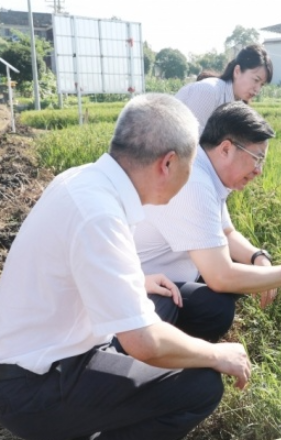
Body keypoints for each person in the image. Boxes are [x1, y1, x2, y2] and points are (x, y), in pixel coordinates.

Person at [0, 94, 251, 440]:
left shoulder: (87, 181)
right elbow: (144, 343)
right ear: (167, 164)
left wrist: (137, 280)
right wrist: (216, 354)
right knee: (200, 385)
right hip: (34, 385)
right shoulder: (99, 213)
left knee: (169, 302)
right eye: (191, 166)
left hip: (50, 352)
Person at [135, 101, 281, 343]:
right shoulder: (193, 183)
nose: (259, 171)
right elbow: (221, 277)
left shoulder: (203, 171)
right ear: (225, 149)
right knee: (216, 308)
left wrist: (259, 258)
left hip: (172, 273)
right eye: (257, 159)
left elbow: (226, 232)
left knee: (236, 271)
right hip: (143, 285)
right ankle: (174, 358)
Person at [175, 44, 273, 135]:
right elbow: (192, 141)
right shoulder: (209, 91)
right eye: (256, 80)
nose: (257, 90)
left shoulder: (238, 106)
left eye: (262, 85)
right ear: (237, 71)